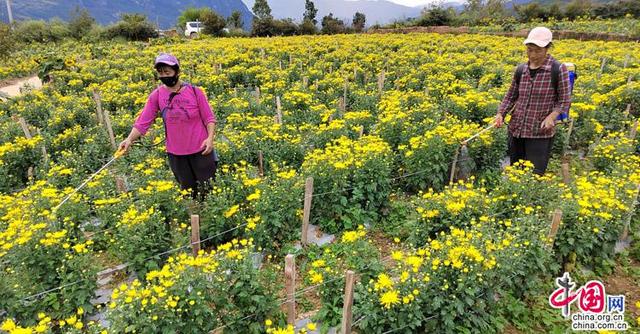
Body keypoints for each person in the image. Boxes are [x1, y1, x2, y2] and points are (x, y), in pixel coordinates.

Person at [118, 53, 218, 200]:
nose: (164, 76)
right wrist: (129, 140)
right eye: (160, 73)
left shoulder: (195, 92)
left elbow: (209, 118)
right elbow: (142, 123)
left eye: (167, 72)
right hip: (176, 153)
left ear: (177, 72)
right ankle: (194, 216)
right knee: (188, 193)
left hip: (201, 149)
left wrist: (210, 139)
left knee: (209, 190)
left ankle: (209, 216)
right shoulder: (157, 95)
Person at [495, 27, 571, 175]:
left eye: (538, 50)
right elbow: (511, 96)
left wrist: (552, 116)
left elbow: (565, 100)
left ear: (547, 48)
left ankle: (531, 198)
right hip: (516, 130)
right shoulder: (521, 69)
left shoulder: (557, 69)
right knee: (516, 171)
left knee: (534, 175)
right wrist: (500, 114)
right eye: (530, 50)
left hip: (539, 132)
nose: (533, 55)